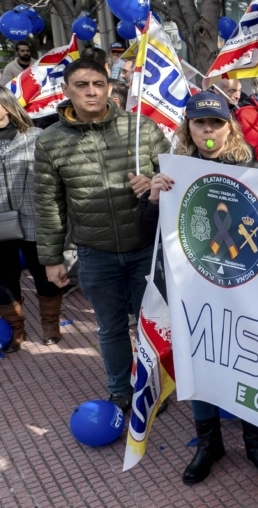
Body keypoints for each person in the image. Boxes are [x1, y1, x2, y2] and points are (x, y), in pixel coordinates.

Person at [135, 92, 258, 484]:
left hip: (239, 288)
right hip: (191, 290)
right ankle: (209, 443)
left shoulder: (251, 168)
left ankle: (255, 442)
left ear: (228, 127)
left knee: (248, 363)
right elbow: (146, 235)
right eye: (199, 124)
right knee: (196, 362)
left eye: (215, 123)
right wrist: (154, 199)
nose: (207, 131)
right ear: (189, 128)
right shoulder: (174, 171)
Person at [34, 58, 170, 411]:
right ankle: (121, 390)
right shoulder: (50, 142)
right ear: (66, 91)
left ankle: (151, 386)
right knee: (110, 329)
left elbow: (175, 176)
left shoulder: (141, 128)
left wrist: (154, 185)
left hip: (145, 247)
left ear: (109, 87)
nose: (92, 91)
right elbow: (48, 203)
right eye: (82, 85)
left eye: (98, 83)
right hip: (95, 252)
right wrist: (51, 259)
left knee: (150, 326)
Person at [0, 89, 57, 352]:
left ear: (8, 106)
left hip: (34, 218)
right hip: (0, 223)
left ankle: (50, 326)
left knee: (44, 274)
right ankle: (16, 331)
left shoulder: (36, 137)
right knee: (4, 279)